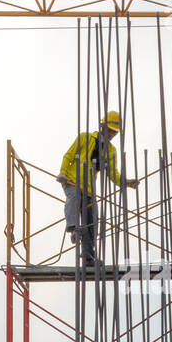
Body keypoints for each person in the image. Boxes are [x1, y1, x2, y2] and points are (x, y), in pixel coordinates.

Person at [59, 111, 137, 265]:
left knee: (92, 220)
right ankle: (74, 228)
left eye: (114, 132)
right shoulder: (84, 138)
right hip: (72, 182)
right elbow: (69, 155)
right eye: (110, 130)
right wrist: (62, 172)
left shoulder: (111, 151)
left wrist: (127, 182)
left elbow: (113, 174)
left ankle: (88, 257)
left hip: (88, 189)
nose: (112, 134)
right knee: (74, 198)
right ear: (102, 126)